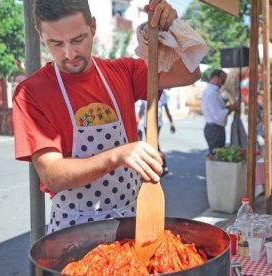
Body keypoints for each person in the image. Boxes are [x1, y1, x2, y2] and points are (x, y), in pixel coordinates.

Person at [12, 0, 206, 233]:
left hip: (133, 218)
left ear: (93, 27)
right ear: (40, 35)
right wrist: (117, 156)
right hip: (73, 228)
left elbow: (188, 74)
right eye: (56, 43)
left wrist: (171, 26)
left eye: (78, 40)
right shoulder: (30, 93)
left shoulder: (123, 72)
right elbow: (52, 175)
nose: (69, 53)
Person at [138, 89, 176, 177]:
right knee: (152, 144)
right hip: (146, 123)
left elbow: (166, 109)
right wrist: (137, 121)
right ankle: (159, 167)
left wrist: (171, 122)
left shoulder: (163, 93)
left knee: (153, 144)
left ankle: (162, 166)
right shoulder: (144, 90)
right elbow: (142, 109)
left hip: (157, 123)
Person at [201, 69, 238, 155]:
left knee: (217, 156)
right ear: (215, 78)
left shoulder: (212, 91)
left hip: (214, 129)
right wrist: (231, 108)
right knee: (216, 156)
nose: (223, 83)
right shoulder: (211, 93)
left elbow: (217, 110)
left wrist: (228, 108)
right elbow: (218, 116)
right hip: (215, 130)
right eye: (222, 79)